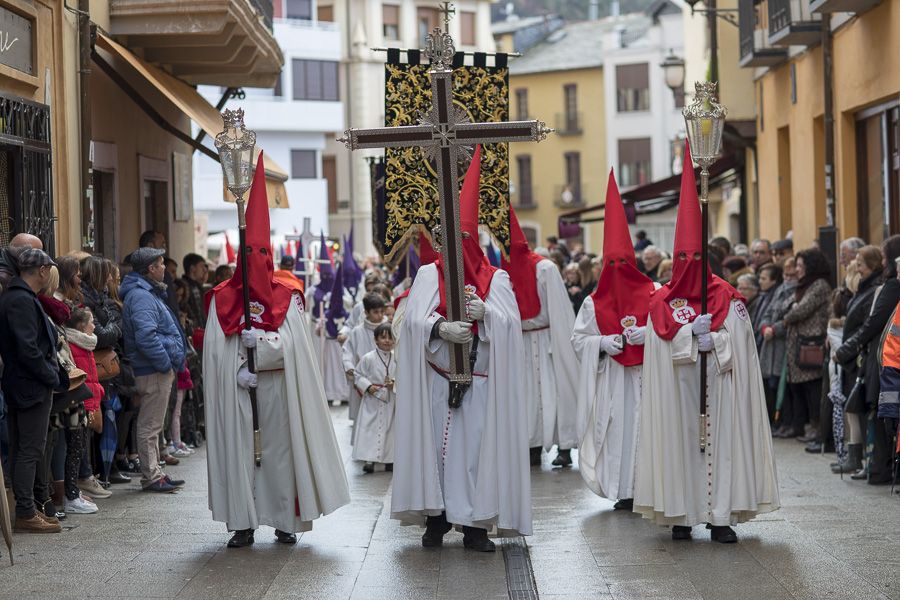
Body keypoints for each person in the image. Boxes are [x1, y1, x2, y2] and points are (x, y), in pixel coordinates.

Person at [633, 142, 779, 544]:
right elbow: (657, 349)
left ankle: (719, 518)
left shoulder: (726, 296)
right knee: (680, 449)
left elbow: (742, 345)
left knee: (721, 449)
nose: (687, 266)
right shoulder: (660, 300)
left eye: (694, 258)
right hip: (678, 395)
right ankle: (682, 515)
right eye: (681, 257)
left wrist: (713, 338)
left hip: (720, 390)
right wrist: (685, 337)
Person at [204, 153, 349, 548]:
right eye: (251, 257)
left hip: (280, 391)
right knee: (241, 456)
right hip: (240, 393)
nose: (257, 263)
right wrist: (236, 367)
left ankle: (285, 521)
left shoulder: (287, 297)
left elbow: (296, 349)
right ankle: (243, 523)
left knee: (280, 458)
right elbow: (215, 352)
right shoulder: (221, 299)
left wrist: (264, 346)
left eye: (262, 255)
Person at [392, 146, 530, 552]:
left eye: (466, 238)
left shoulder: (498, 279)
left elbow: (511, 327)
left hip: (482, 384)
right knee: (435, 449)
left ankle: (473, 525)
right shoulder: (426, 274)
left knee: (474, 456)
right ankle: (436, 520)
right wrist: (439, 327)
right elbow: (412, 321)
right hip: (437, 382)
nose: (459, 247)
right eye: (453, 238)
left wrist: (486, 316)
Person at [573, 171, 656, 511]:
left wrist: (649, 335)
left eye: (625, 262)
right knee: (619, 430)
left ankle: (649, 488)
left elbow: (672, 331)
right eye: (612, 263)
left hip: (648, 376)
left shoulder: (655, 293)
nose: (618, 268)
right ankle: (624, 489)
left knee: (647, 429)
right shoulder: (592, 302)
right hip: (614, 379)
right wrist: (603, 344)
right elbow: (579, 340)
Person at [501, 204, 580, 468]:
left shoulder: (545, 268)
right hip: (521, 341)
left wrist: (565, 345)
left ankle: (565, 446)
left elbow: (560, 309)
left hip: (548, 340)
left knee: (557, 392)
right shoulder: (501, 272)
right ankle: (532, 445)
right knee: (526, 397)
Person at [0, 247, 64, 533]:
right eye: (48, 268)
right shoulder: (20, 300)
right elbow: (28, 349)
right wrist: (50, 376)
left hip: (25, 383)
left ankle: (27, 508)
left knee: (23, 448)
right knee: (29, 449)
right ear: (41, 270)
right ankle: (26, 511)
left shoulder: (20, 297)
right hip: (29, 385)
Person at [835, 235, 900, 484]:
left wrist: (848, 348)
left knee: (878, 409)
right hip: (878, 357)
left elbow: (873, 323)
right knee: (872, 408)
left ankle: (879, 466)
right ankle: (876, 464)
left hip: (882, 359)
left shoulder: (891, 287)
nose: (885, 262)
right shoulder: (883, 285)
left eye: (886, 257)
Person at [120, 247, 186, 492]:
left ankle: (156, 472)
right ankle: (151, 476)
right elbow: (146, 337)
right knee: (149, 426)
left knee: (154, 424)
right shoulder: (141, 296)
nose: (164, 269)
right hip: (152, 369)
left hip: (153, 368)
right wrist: (164, 364)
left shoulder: (145, 293)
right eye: (160, 264)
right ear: (150, 268)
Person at [781, 248, 832, 442]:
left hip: (812, 345)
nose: (797, 270)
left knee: (813, 388)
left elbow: (799, 311)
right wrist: (790, 310)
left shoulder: (819, 285)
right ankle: (806, 427)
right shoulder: (801, 285)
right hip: (799, 346)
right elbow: (783, 306)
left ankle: (817, 428)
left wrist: (790, 312)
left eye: (801, 266)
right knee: (801, 389)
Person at [62, 307, 106, 514]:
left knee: (79, 449)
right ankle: (70, 495)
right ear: (81, 326)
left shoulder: (85, 345)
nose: (94, 326)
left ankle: (73, 491)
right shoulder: (75, 344)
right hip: (78, 403)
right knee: (75, 449)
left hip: (86, 401)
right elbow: (82, 379)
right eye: (91, 322)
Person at [352, 323, 397, 474]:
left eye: (390, 337)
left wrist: (395, 383)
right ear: (376, 340)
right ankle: (369, 460)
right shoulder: (368, 358)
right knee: (369, 429)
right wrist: (368, 386)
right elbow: (357, 375)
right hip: (372, 398)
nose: (387, 341)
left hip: (390, 399)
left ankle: (390, 459)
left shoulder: (397, 358)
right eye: (383, 337)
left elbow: (404, 376)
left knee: (391, 429)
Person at [342, 292, 387, 425]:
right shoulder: (357, 332)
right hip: (363, 380)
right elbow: (347, 352)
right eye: (375, 312)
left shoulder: (388, 329)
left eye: (381, 311)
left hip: (383, 381)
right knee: (363, 421)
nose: (380, 315)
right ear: (366, 312)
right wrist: (349, 367)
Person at [181, 253, 208, 331]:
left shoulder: (198, 286)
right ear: (192, 268)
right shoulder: (182, 287)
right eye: (202, 267)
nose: (205, 270)